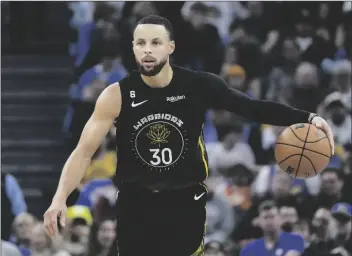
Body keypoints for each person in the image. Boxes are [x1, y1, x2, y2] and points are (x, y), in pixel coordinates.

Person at [44, 15, 335, 256]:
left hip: (184, 201)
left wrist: (307, 117)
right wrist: (60, 197)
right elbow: (84, 151)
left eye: (155, 43)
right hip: (136, 203)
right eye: (141, 43)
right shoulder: (116, 95)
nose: (148, 50)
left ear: (170, 46)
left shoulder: (198, 85)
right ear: (133, 48)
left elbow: (253, 108)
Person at [240, 200, 305, 256]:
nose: (269, 221)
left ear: (280, 219)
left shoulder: (295, 240)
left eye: (272, 217)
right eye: (265, 217)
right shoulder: (249, 250)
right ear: (259, 222)